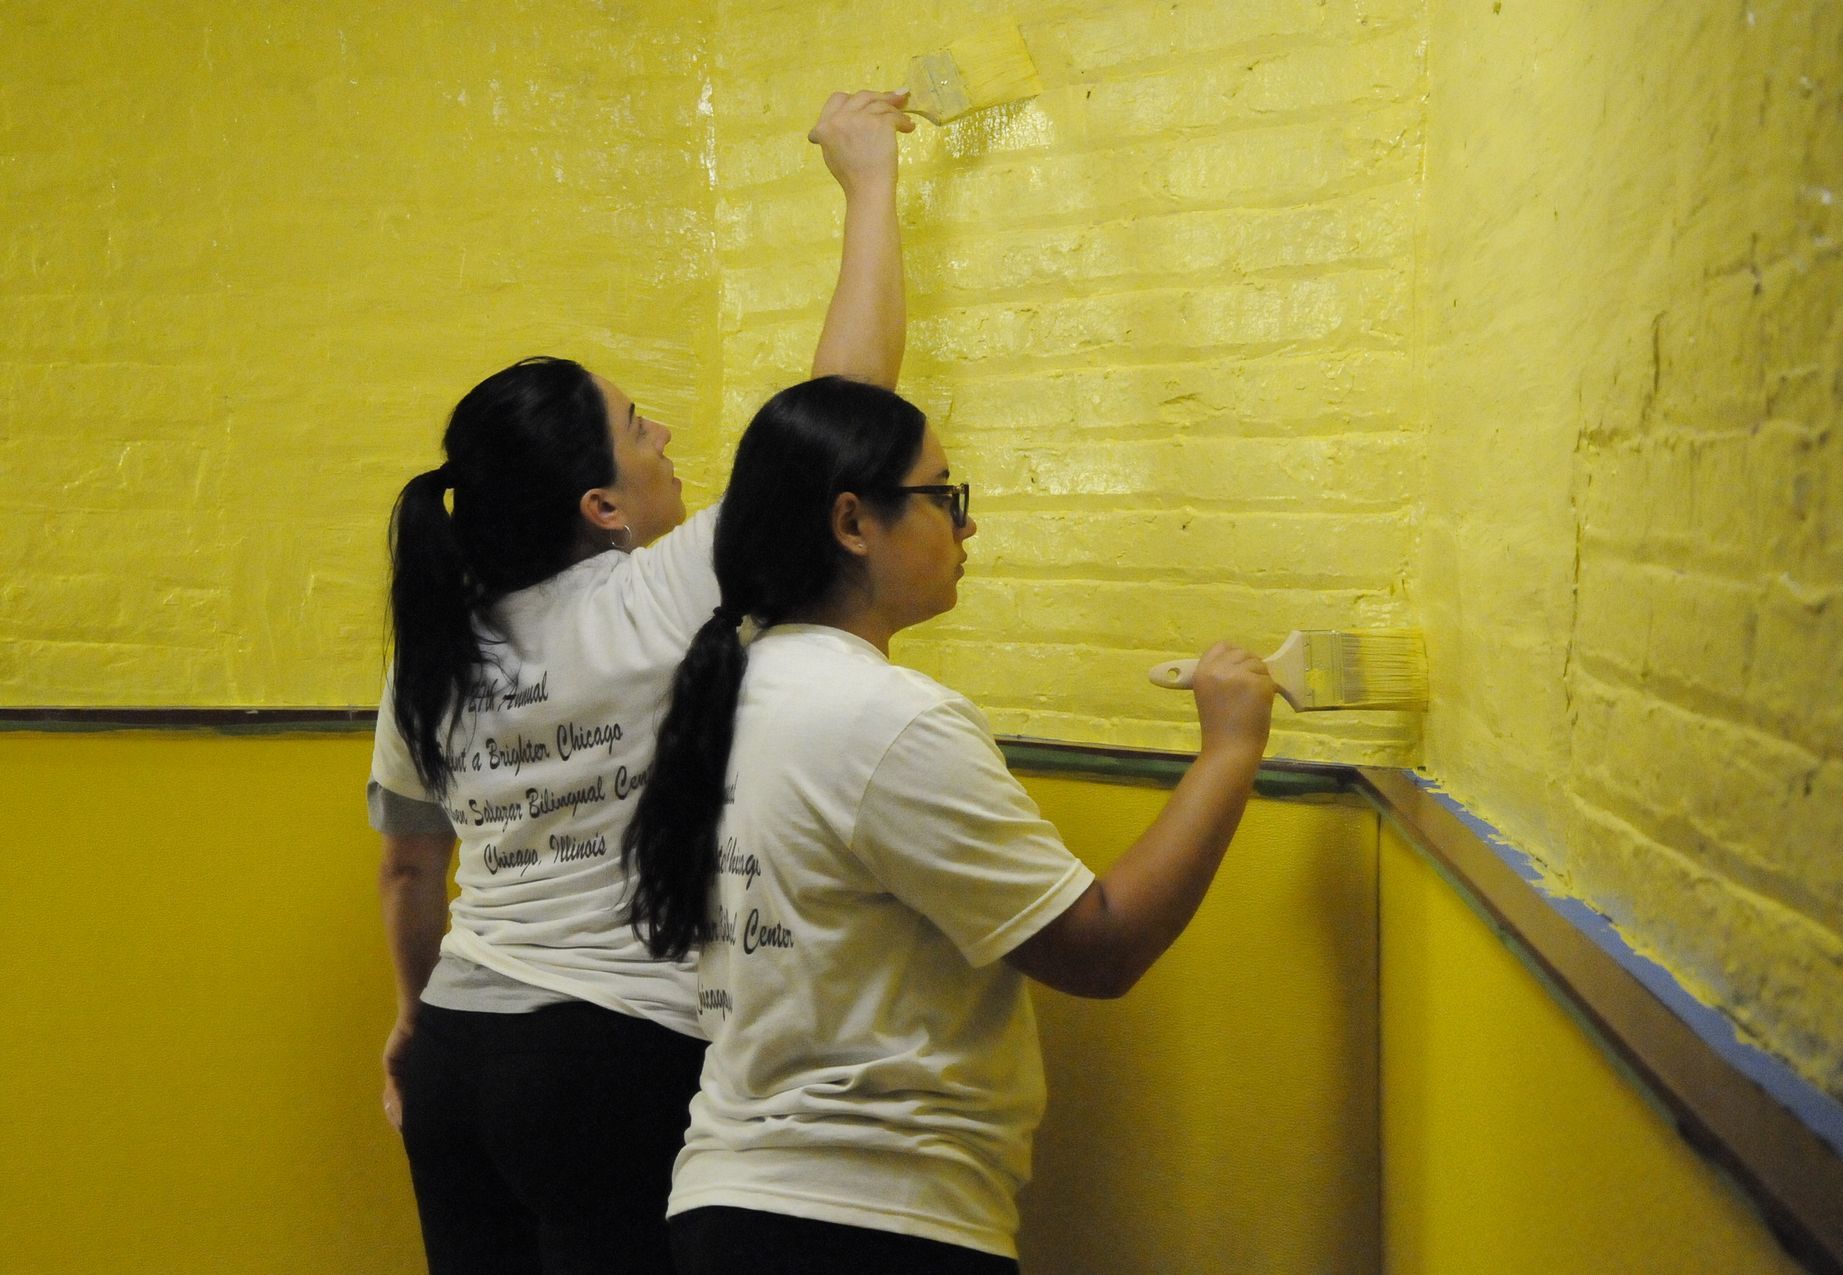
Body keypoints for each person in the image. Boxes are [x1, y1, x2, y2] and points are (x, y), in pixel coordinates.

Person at [367, 91, 915, 1274]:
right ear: (602, 509)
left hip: (459, 1052)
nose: (666, 432)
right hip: (608, 1061)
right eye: (640, 427)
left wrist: (414, 1019)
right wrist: (869, 185)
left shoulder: (435, 648)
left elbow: (411, 868)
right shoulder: (653, 599)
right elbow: (840, 421)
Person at [629, 376, 1279, 1274]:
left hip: (732, 1207)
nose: (967, 527)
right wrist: (1230, 750)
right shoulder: (884, 719)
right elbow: (1100, 946)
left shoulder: (736, 686)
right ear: (854, 522)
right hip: (865, 1222)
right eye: (945, 496)